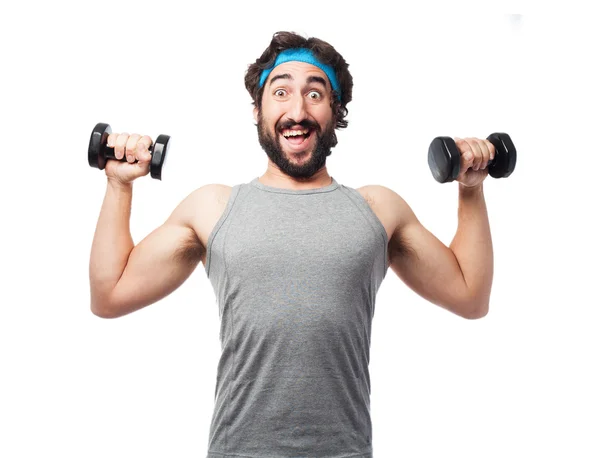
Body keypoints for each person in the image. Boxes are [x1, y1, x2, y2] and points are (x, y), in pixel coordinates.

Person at [90, 31, 494, 458]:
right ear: (257, 109)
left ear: (336, 111)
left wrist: (470, 191)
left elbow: (471, 297)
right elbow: (109, 295)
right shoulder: (213, 208)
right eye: (280, 91)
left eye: (315, 94)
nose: (297, 111)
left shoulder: (377, 209)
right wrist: (118, 185)